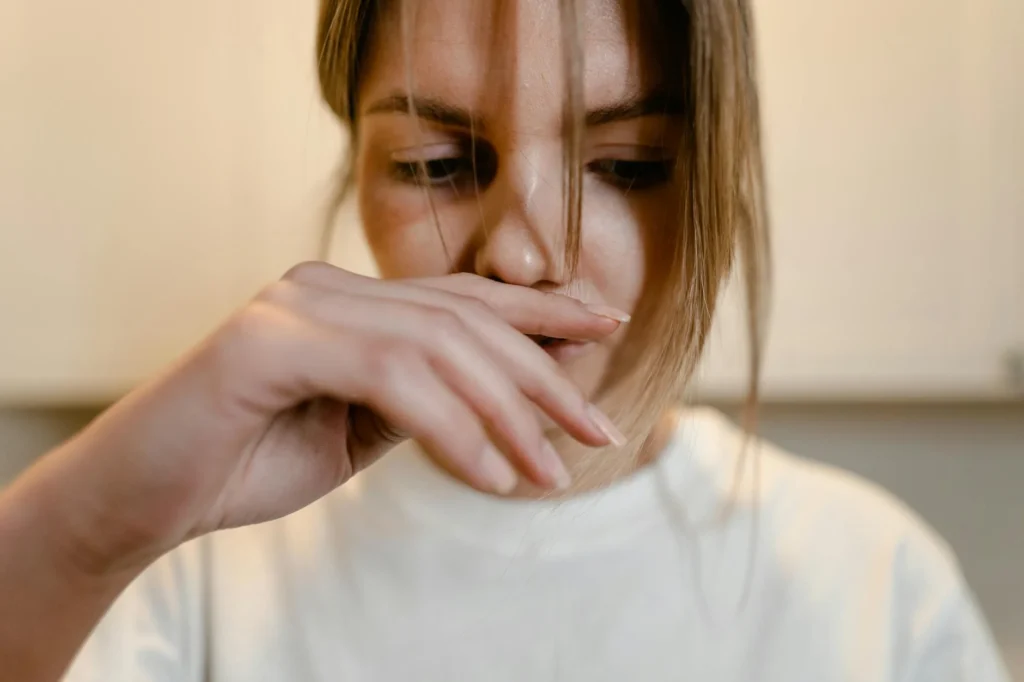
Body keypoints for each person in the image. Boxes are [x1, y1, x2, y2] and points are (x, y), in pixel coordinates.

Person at [0, 0, 1010, 680]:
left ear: (717, 174)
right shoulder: (190, 574)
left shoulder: (873, 585)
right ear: (356, 162)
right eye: (438, 165)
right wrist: (87, 525)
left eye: (624, 166)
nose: (524, 261)